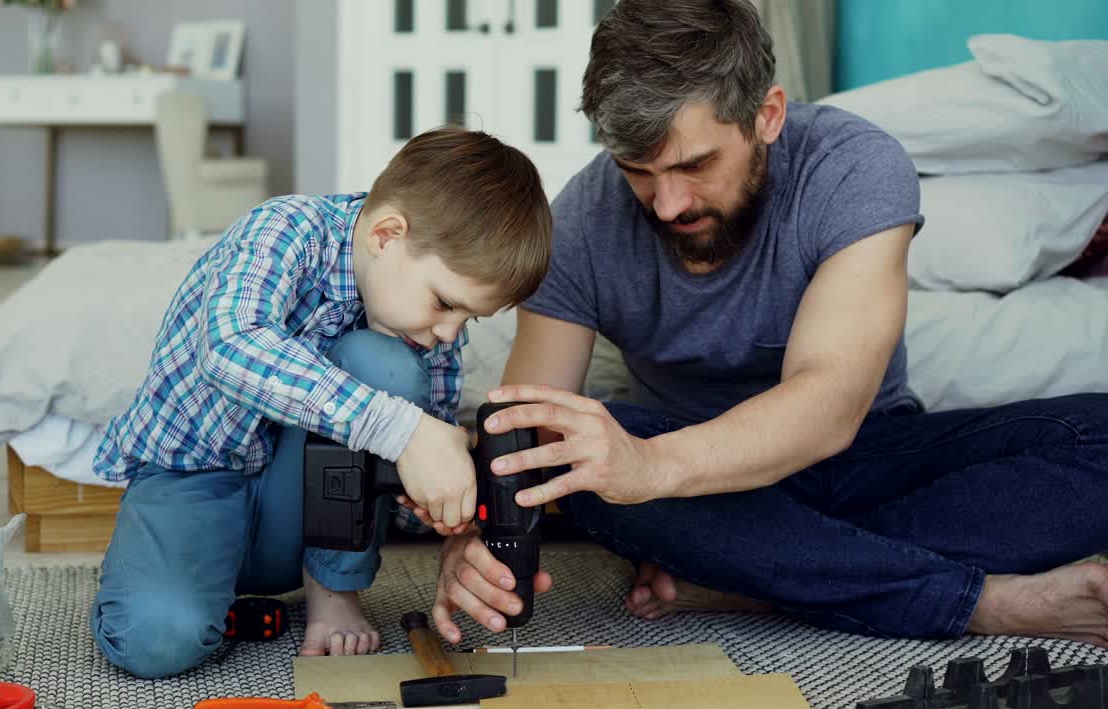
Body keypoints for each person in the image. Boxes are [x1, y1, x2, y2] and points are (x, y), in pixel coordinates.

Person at [421, 0, 1108, 650]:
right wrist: (473, 540)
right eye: (638, 171)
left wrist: (651, 466)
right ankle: (974, 601)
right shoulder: (582, 220)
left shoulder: (853, 166)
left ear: (767, 115)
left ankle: (757, 579)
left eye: (695, 165)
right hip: (692, 494)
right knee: (578, 454)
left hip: (863, 456)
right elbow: (528, 434)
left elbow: (829, 405)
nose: (666, 204)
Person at [88, 127, 552, 678]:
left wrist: (438, 504)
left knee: (383, 367)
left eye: (468, 318)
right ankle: (159, 579)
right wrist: (400, 430)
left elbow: (416, 464)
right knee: (157, 640)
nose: (450, 333)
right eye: (445, 303)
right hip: (190, 480)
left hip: (300, 510)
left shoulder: (428, 338)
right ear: (386, 235)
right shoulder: (286, 229)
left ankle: (333, 593)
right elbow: (231, 345)